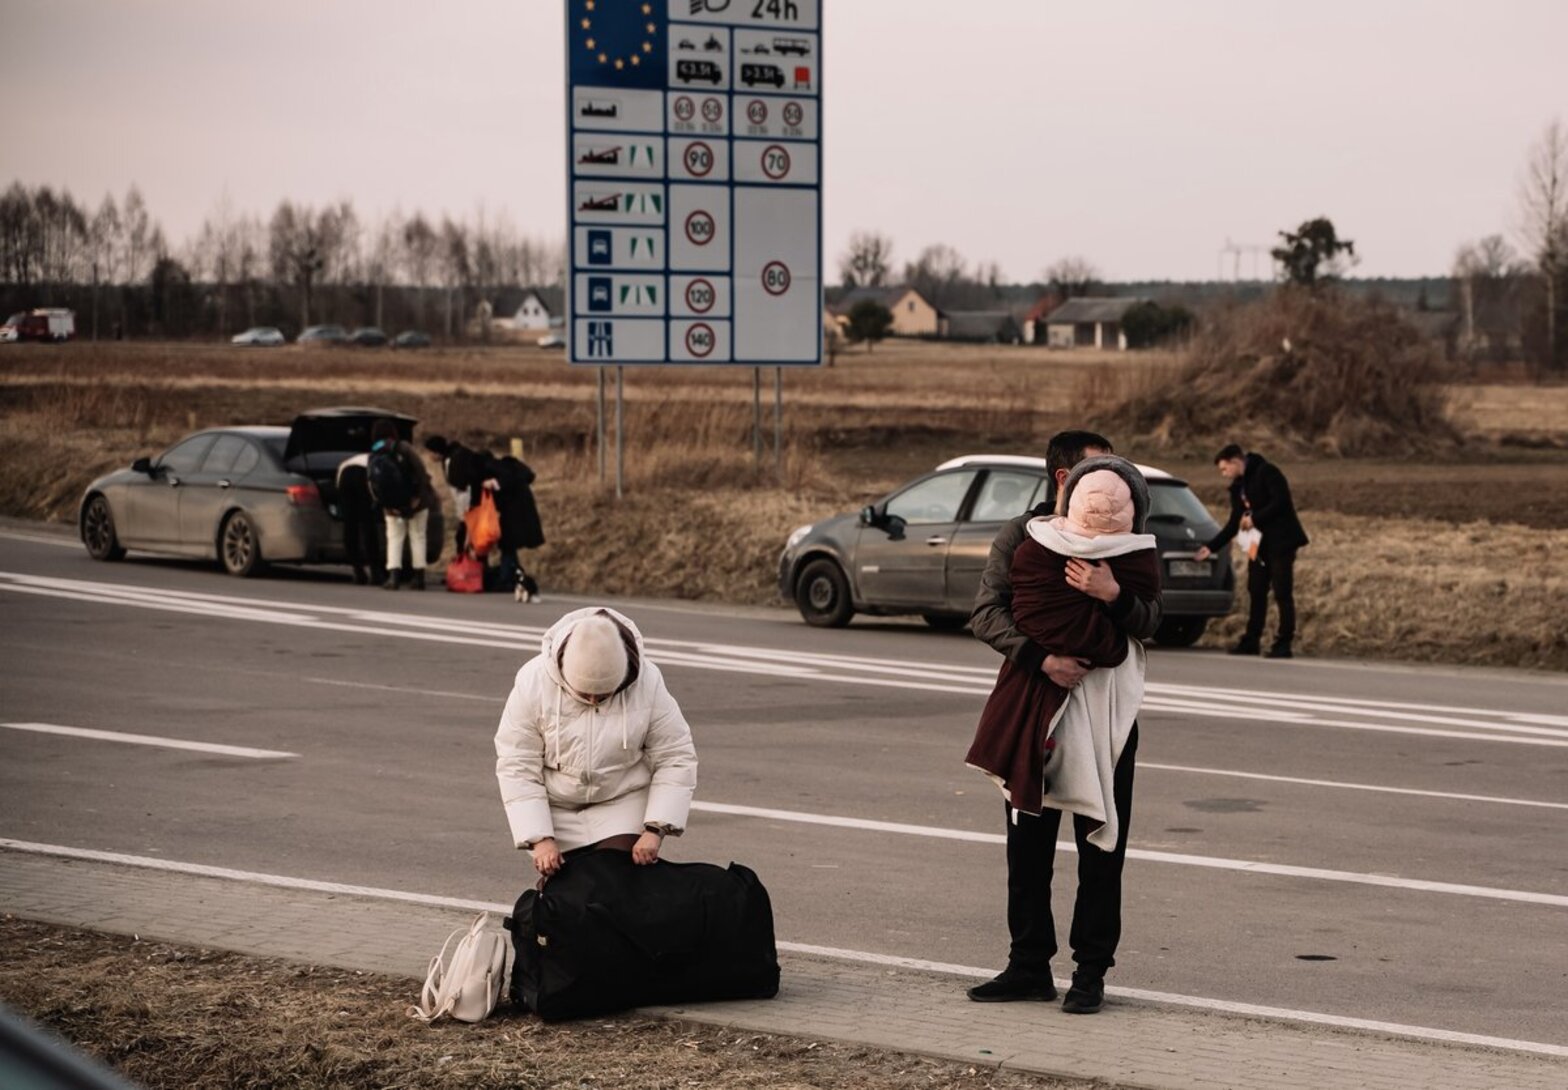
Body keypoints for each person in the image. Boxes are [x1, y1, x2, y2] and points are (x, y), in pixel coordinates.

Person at [967, 440, 1164, 1016]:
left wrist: (1114, 595)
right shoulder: (1022, 537)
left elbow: (1152, 619)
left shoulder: (1131, 542)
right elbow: (987, 613)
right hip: (1033, 701)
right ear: (1064, 477)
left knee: (1101, 848)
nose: (1108, 484)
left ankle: (1090, 972)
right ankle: (1028, 966)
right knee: (1027, 845)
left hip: (1107, 715)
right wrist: (1042, 659)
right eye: (1093, 469)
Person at [494, 607, 697, 877]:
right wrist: (540, 838)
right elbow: (517, 764)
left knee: (611, 879)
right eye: (584, 693)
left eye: (603, 695)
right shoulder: (533, 682)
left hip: (621, 801)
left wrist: (655, 829)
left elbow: (675, 755)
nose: (592, 701)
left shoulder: (648, 682)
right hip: (556, 807)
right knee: (570, 892)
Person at [1195, 444, 1308, 659]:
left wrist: (1255, 518)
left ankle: (1284, 642)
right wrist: (1211, 547)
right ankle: (1251, 639)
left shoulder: (1267, 472)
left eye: (1225, 468)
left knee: (1282, 592)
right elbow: (1234, 523)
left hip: (1281, 543)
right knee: (1256, 590)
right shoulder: (1238, 487)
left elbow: (1281, 502)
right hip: (1258, 546)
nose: (1224, 474)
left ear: (1236, 461)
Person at [427, 435, 546, 602]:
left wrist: (494, 484)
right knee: (508, 545)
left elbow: (499, 489)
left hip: (515, 512)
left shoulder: (495, 471)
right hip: (515, 511)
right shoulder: (499, 469)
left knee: (508, 544)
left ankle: (508, 578)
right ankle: (513, 576)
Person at [369, 418, 439, 591]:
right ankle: (419, 578)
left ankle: (393, 578)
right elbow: (421, 471)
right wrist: (417, 498)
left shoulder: (374, 453)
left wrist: (386, 505)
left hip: (391, 507)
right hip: (417, 502)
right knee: (418, 537)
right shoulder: (404, 448)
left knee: (394, 538)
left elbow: (372, 484)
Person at [334, 451, 387, 587]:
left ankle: (358, 571)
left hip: (344, 476)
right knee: (368, 523)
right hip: (363, 475)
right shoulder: (382, 461)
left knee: (350, 525)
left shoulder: (349, 461)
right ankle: (375, 572)